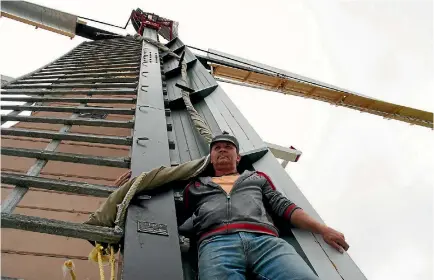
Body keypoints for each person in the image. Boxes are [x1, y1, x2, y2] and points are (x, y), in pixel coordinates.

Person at [182, 132, 349, 280]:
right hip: (216, 243)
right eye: (217, 148)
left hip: (265, 242)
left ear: (238, 157)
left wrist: (323, 229)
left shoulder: (257, 178)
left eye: (228, 147)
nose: (222, 150)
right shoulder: (195, 187)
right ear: (211, 158)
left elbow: (284, 207)